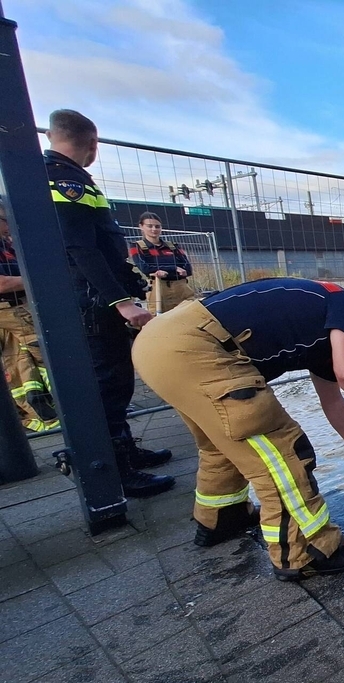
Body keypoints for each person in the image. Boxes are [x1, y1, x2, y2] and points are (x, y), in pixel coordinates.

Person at [132, 278, 344, 580]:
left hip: (159, 344)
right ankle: (309, 551)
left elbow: (331, 398)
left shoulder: (319, 321)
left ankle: (222, 518)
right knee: (284, 456)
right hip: (200, 347)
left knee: (226, 444)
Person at [45, 109, 174, 497]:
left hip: (94, 298)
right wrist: (121, 302)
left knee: (117, 382)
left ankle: (125, 451)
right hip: (92, 302)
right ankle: (116, 471)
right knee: (107, 383)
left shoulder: (64, 175)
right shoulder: (66, 180)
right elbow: (81, 249)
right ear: (92, 143)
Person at [0, 201, 59, 432]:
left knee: (20, 361)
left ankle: (42, 411)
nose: (9, 226)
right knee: (46, 352)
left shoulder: (7, 245)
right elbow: (3, 283)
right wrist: (37, 280)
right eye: (5, 220)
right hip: (9, 308)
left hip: (18, 306)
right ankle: (53, 409)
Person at [129, 212, 194, 314]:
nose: (154, 229)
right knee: (159, 319)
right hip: (158, 288)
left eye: (157, 226)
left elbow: (188, 269)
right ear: (141, 227)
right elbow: (145, 268)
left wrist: (162, 270)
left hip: (181, 287)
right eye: (150, 226)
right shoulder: (137, 246)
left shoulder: (173, 246)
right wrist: (174, 268)